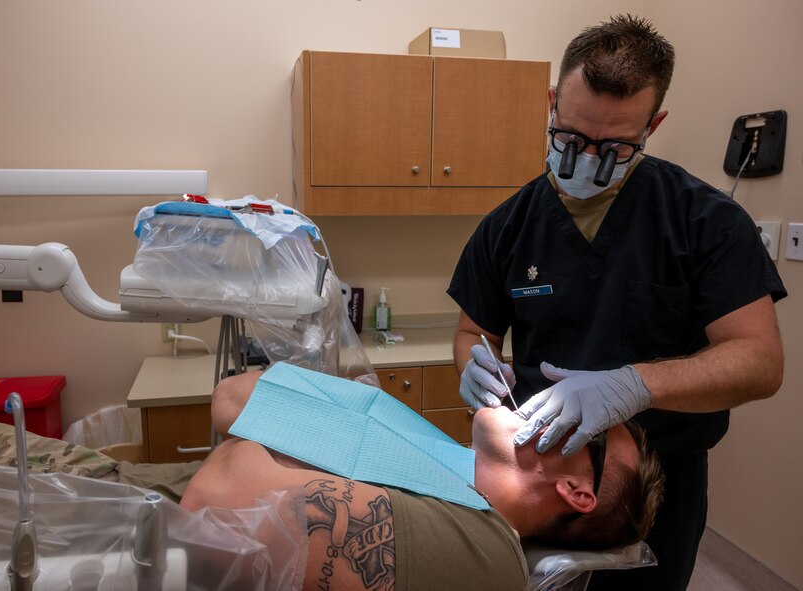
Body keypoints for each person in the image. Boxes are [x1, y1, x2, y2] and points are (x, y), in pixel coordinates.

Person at [448, 14, 786, 591]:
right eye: (571, 138)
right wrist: (474, 367)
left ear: (654, 124)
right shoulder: (507, 228)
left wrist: (634, 385)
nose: (586, 160)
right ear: (553, 103)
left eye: (614, 146)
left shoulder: (706, 223)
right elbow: (471, 334)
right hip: (538, 475)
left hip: (657, 485)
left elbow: (760, 361)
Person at [180, 367, 664, 591]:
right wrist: (272, 450)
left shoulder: (483, 553)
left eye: (589, 424)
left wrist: (280, 432)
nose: (558, 399)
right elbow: (230, 396)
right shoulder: (440, 456)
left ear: (578, 492)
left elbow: (214, 502)